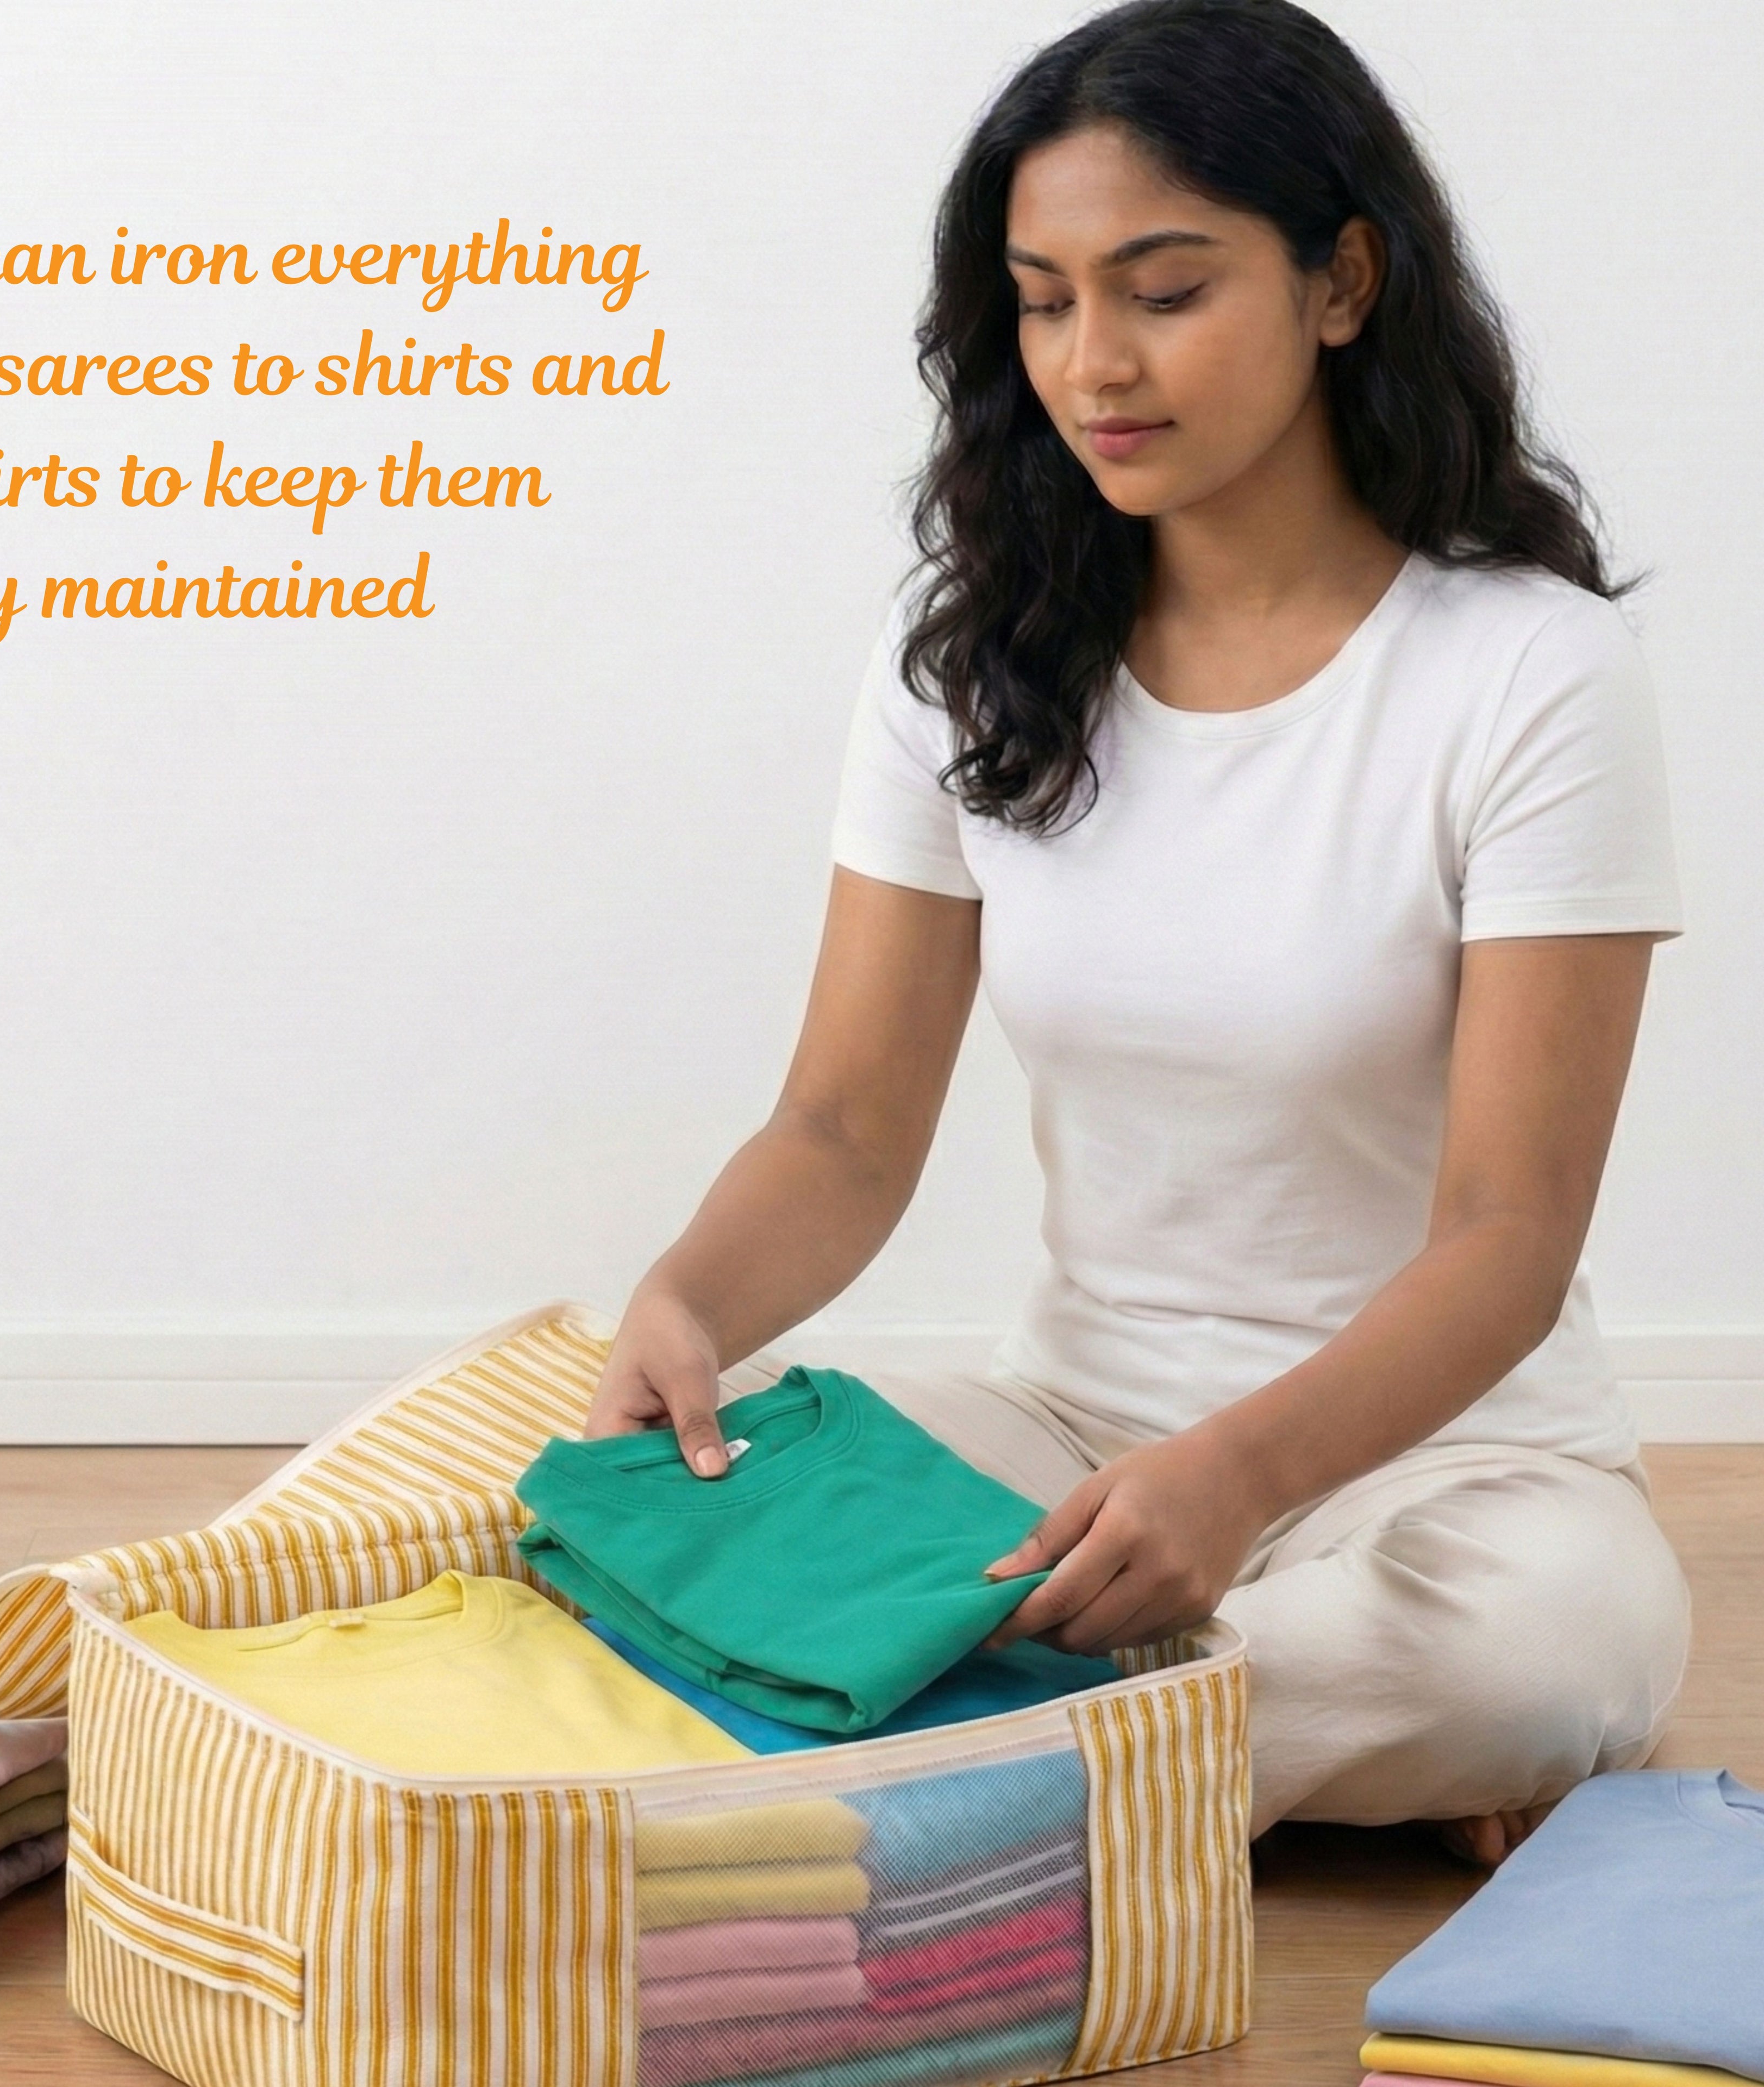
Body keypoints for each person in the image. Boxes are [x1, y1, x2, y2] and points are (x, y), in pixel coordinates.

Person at [579, 0, 1690, 1869]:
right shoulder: (971, 661)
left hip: (1452, 1474)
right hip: (1070, 1428)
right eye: (1042, 298)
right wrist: (689, 1305)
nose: (1094, 361)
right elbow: (847, 1129)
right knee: (667, 1496)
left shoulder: (1530, 673)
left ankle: (923, 1755)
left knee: (1551, 1642)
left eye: (1165, 291)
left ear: (1344, 281)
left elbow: (1512, 1233)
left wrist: (1242, 1477)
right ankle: (1159, 1752)